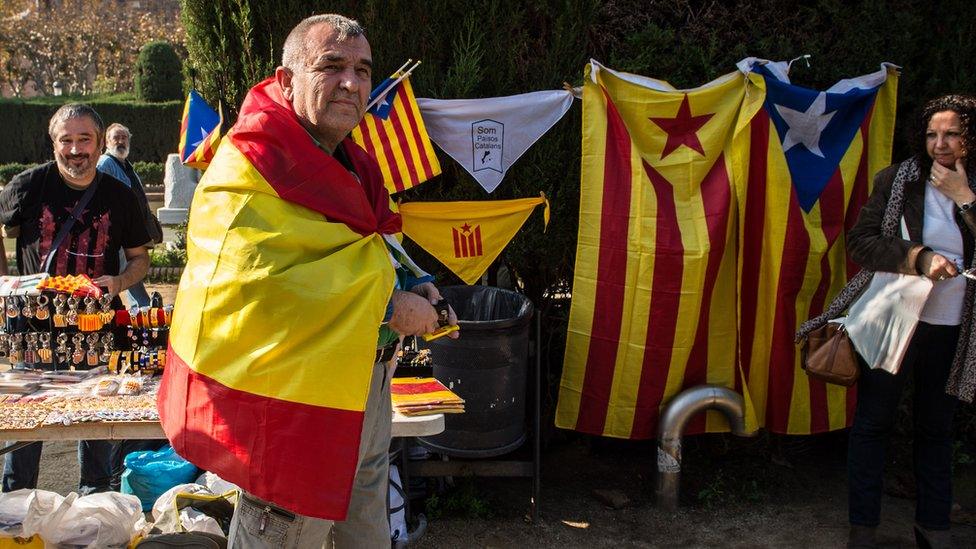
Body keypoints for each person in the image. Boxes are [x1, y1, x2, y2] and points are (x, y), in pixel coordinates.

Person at [157, 14, 458, 548]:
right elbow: (268, 283)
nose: (352, 83)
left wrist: (420, 280)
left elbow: (371, 243)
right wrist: (391, 306)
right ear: (287, 79)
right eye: (332, 66)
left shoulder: (355, 164)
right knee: (284, 534)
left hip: (364, 386)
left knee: (365, 534)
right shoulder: (248, 163)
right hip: (296, 400)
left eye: (363, 70)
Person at [802, 95, 976, 548]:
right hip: (896, 321)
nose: (940, 144)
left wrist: (966, 199)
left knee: (937, 427)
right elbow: (860, 242)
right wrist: (919, 258)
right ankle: (864, 526)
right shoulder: (900, 179)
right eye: (932, 134)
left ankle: (933, 526)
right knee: (874, 422)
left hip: (954, 325)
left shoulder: (974, 185)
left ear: (970, 136)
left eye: (952, 133)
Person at [0, 104, 153, 494]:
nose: (75, 149)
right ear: (53, 143)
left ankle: (96, 515)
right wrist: (4, 282)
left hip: (98, 331)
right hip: (32, 332)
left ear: (100, 143)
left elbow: (140, 260)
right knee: (23, 440)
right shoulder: (29, 185)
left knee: (99, 435)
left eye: (84, 139)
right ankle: (18, 523)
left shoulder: (120, 195)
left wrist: (118, 282)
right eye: (65, 140)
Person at [97, 122, 162, 308]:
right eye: (116, 138)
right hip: (116, 229)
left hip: (129, 229)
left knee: (131, 267)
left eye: (124, 137)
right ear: (107, 142)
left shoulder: (125, 165)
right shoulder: (105, 163)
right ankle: (142, 307)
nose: (120, 141)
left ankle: (140, 306)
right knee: (129, 267)